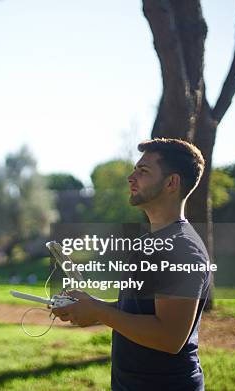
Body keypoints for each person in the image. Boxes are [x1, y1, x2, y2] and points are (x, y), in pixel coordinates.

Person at [52, 138, 211, 391]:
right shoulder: (149, 243)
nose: (131, 177)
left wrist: (97, 310)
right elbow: (137, 312)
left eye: (143, 171)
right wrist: (88, 306)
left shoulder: (182, 249)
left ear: (172, 182)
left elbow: (170, 337)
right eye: (135, 169)